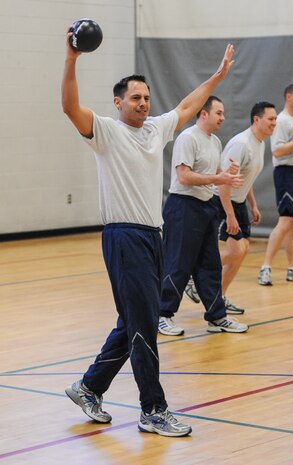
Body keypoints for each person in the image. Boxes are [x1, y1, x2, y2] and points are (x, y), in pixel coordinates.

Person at [62, 27, 235, 437]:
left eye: (146, 97)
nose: (143, 103)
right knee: (145, 323)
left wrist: (217, 78)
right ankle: (152, 410)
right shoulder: (105, 130)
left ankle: (89, 386)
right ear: (118, 102)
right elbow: (70, 107)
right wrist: (71, 58)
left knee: (134, 320)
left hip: (151, 237)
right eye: (135, 98)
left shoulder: (157, 128)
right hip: (123, 237)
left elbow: (189, 104)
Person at [158, 96, 248, 337]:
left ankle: (216, 316)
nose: (223, 118)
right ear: (204, 114)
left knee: (210, 265)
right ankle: (162, 314)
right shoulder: (187, 138)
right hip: (183, 207)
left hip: (206, 207)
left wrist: (226, 173)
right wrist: (219, 179)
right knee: (178, 263)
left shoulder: (215, 141)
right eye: (219, 113)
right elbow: (185, 176)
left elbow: (212, 173)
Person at [214, 102, 277, 312]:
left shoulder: (260, 142)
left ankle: (218, 298)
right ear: (257, 120)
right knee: (238, 250)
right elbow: (224, 183)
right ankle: (194, 272)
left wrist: (253, 204)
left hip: (239, 202)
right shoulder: (241, 144)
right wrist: (230, 216)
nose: (274, 123)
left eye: (275, 119)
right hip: (222, 202)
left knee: (243, 250)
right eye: (271, 119)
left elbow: (243, 179)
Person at [258, 85, 293, 285]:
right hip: (287, 174)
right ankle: (265, 267)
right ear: (288, 97)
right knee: (286, 220)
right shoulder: (280, 121)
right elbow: (277, 152)